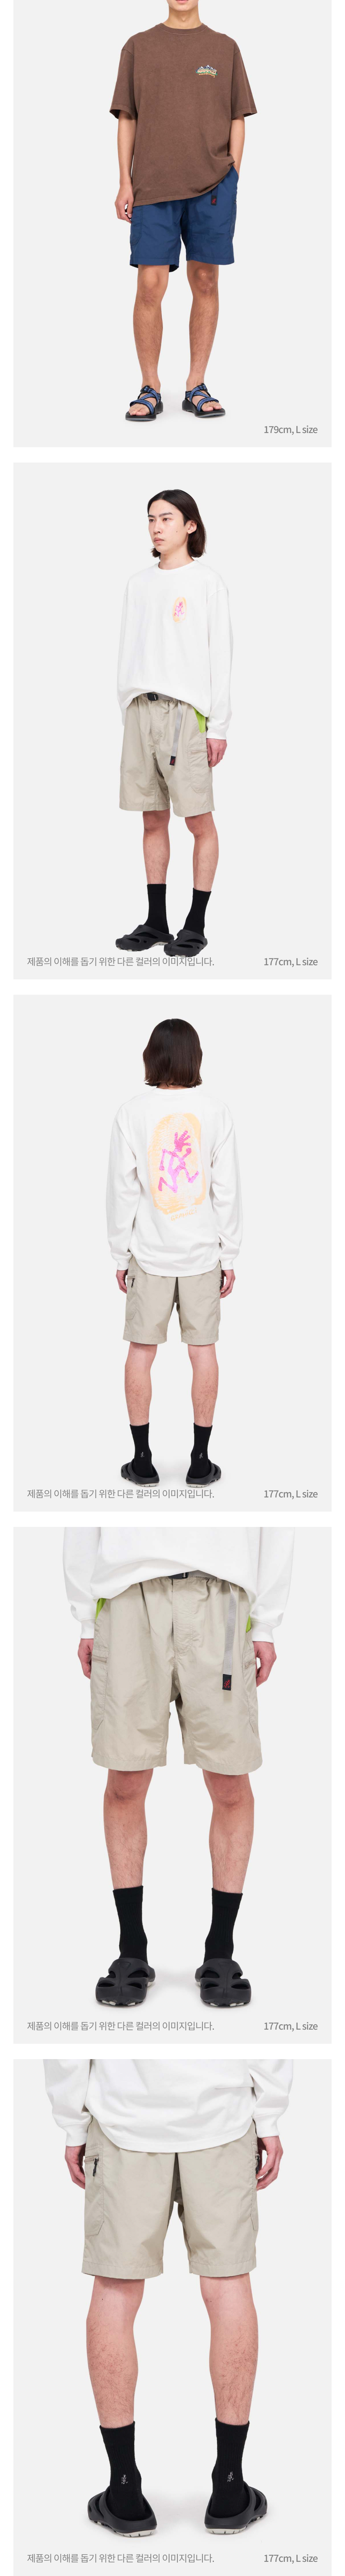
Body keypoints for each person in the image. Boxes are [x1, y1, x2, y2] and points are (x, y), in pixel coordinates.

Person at [44, 2055, 292, 2536]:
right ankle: (230, 2487)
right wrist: (270, 2115)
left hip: (125, 2121)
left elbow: (70, 2040)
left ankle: (123, 2491)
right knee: (228, 2285)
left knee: (115, 2290)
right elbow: (264, 2029)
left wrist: (73, 2123)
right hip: (221, 2118)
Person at [63, 1523, 294, 2009]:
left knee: (230, 1779)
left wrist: (266, 1622)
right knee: (125, 1778)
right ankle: (131, 1949)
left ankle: (221, 1952)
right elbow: (86, 1513)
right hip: (127, 1595)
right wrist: (86, 1617)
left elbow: (274, 1520)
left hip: (221, 1594)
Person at [111, 0, 256, 420]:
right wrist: (125, 181)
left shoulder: (224, 48)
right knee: (149, 285)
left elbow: (238, 116)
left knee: (206, 281)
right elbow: (127, 117)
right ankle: (149, 387)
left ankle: (196, 385)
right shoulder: (138, 46)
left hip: (213, 184)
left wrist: (233, 174)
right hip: (153, 185)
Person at [106, 1014, 243, 1487]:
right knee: (203, 1352)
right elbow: (227, 1190)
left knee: (141, 1351)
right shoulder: (216, 1112)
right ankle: (201, 1462)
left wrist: (120, 1254)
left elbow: (122, 1191)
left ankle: (142, 1460)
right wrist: (229, 1255)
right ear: (194, 1058)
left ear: (152, 1057)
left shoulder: (131, 1113)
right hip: (203, 1255)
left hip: (150, 1254)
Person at [116, 487, 233, 958]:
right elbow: (129, 646)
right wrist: (126, 705)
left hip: (186, 713)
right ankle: (156, 922)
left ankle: (196, 924)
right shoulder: (138, 584)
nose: (156, 527)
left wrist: (218, 726)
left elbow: (220, 655)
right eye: (151, 519)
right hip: (140, 710)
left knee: (198, 820)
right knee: (152, 818)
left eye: (166, 518)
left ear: (190, 525)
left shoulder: (207, 582)